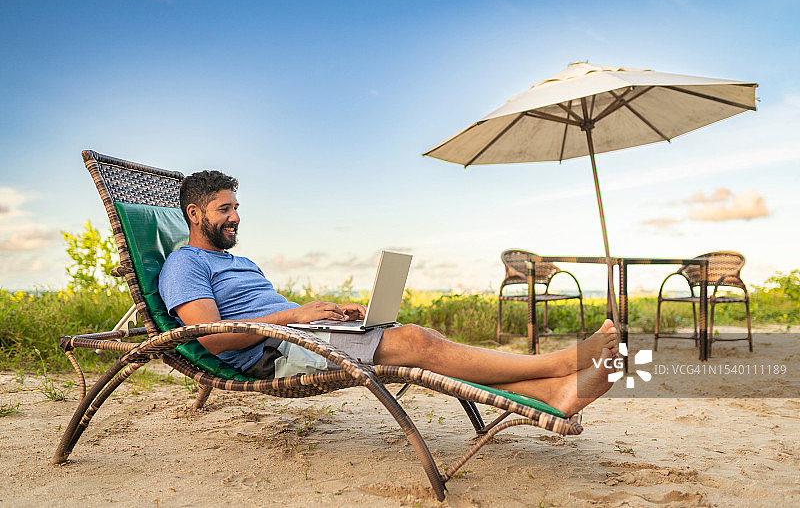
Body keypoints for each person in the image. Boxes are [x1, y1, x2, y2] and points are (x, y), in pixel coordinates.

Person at [159, 170, 619, 417]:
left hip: (300, 333)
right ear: (195, 214)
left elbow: (270, 311)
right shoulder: (185, 263)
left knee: (427, 346)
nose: (236, 216)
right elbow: (212, 338)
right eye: (225, 209)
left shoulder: (240, 262)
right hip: (277, 352)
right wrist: (297, 318)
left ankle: (554, 392)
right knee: (419, 344)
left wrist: (330, 312)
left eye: (237, 206)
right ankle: (559, 366)